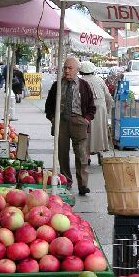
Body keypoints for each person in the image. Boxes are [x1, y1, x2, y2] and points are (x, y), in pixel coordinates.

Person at [45, 56, 96, 195]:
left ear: (77, 70)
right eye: (65, 68)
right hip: (61, 121)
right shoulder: (57, 85)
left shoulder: (84, 85)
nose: (67, 71)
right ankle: (66, 181)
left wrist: (86, 119)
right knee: (62, 154)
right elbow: (49, 105)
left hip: (78, 120)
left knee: (81, 155)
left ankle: (83, 185)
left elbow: (92, 107)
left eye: (70, 68)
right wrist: (53, 117)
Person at [80, 61, 113, 163]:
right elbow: (108, 97)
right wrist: (107, 110)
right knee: (100, 132)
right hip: (101, 109)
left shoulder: (80, 81)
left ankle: (87, 156)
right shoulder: (99, 80)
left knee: (87, 133)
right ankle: (100, 153)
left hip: (86, 110)